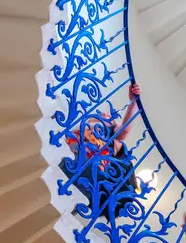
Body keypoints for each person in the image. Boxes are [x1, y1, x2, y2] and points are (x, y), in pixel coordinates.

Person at [60, 83, 141, 222]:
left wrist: (133, 104)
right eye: (102, 115)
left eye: (109, 117)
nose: (105, 115)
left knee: (63, 207)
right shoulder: (82, 127)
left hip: (86, 175)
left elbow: (125, 130)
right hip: (67, 157)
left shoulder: (111, 137)